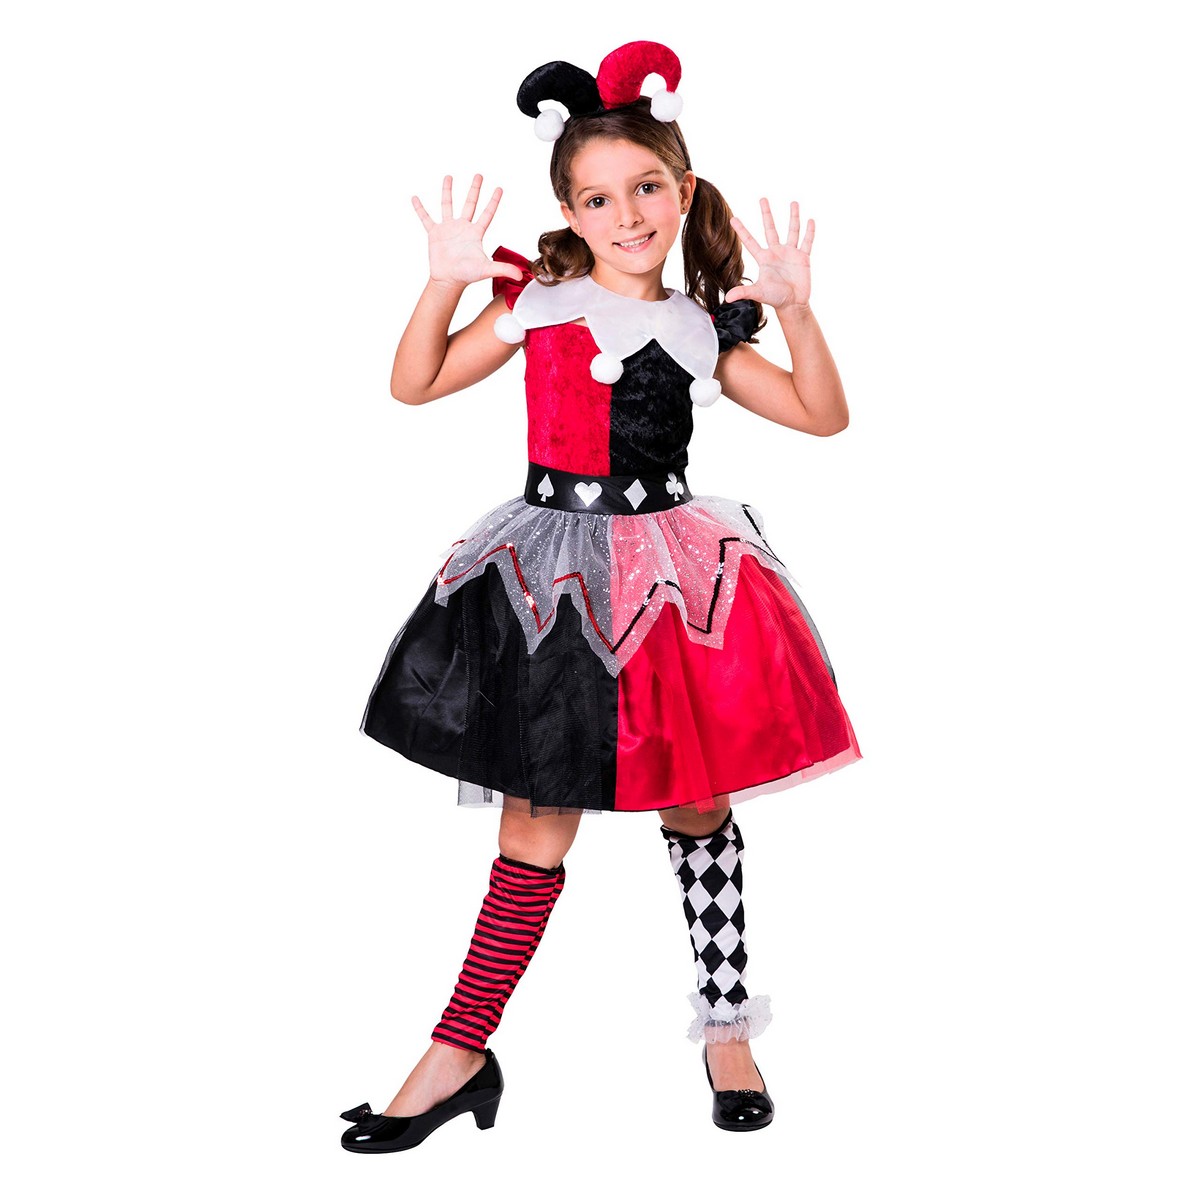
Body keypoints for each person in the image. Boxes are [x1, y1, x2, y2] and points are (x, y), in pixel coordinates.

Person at [340, 40, 862, 1153]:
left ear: (684, 189)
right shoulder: (539, 306)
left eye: (646, 188)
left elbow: (822, 416)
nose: (627, 215)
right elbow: (413, 383)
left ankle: (728, 1032)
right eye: (597, 198)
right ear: (568, 210)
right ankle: (459, 1050)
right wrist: (442, 281)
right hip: (551, 582)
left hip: (675, 588)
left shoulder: (702, 328)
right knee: (536, 820)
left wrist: (802, 312)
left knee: (697, 802)